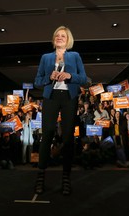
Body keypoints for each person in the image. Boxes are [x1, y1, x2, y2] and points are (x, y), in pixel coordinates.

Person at [34, 25, 87, 195]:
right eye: (57, 35)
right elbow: (37, 81)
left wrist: (70, 76)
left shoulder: (75, 56)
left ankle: (66, 178)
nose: (59, 37)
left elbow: (84, 79)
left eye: (63, 35)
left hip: (68, 98)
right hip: (51, 97)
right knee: (48, 133)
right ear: (54, 39)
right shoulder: (46, 57)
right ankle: (40, 177)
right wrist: (48, 78)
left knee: (67, 137)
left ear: (68, 39)